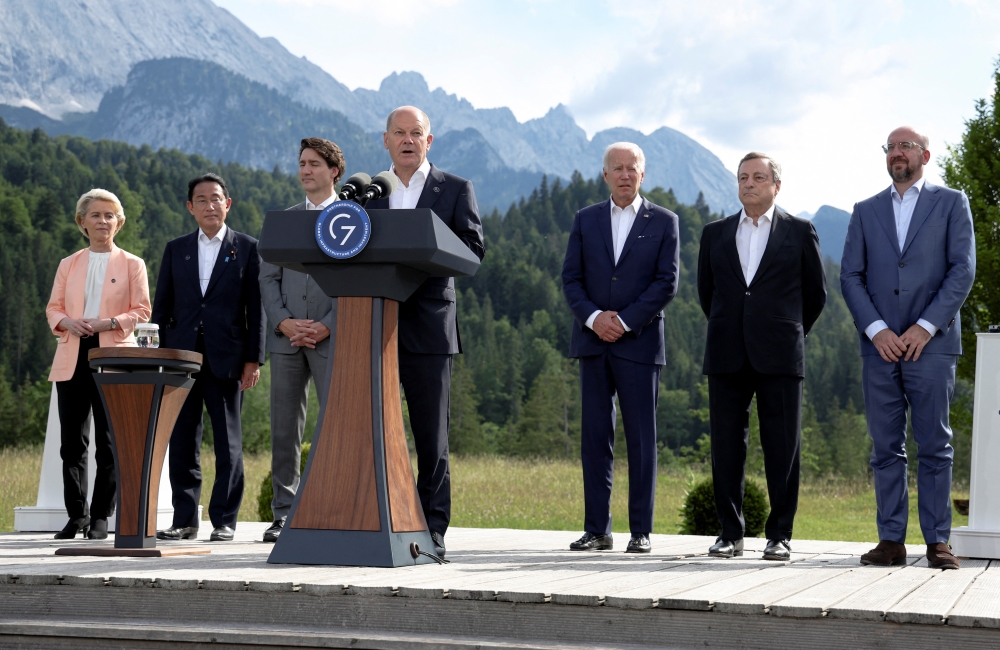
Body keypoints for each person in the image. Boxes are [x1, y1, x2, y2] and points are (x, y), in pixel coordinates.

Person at [841, 127, 975, 570]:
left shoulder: (952, 202)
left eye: (906, 146)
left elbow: (962, 270)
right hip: (879, 346)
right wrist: (877, 330)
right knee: (885, 447)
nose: (897, 153)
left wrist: (924, 327)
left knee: (935, 443)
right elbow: (850, 277)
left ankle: (938, 541)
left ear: (925, 155)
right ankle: (891, 540)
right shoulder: (865, 210)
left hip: (931, 346)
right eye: (891, 147)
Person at [366, 106, 485, 558]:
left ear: (429, 141)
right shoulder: (369, 191)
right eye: (400, 133)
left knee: (430, 436)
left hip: (430, 328)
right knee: (372, 429)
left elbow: (473, 251)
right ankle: (377, 516)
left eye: (417, 133)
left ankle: (432, 527)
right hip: (375, 323)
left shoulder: (454, 189)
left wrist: (423, 255)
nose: (408, 140)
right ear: (386, 140)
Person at [697, 152, 826, 561]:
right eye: (742, 177)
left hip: (781, 354)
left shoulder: (801, 231)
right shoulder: (714, 233)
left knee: (782, 445)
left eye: (757, 177)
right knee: (726, 446)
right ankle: (729, 533)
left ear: (776, 185)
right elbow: (707, 292)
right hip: (727, 351)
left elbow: (816, 294)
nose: (748, 183)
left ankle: (779, 535)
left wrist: (787, 330)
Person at [561, 142, 680, 554]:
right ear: (605, 174)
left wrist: (624, 321)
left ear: (643, 175)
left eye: (633, 168)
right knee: (595, 438)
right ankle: (597, 529)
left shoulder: (664, 221)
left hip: (639, 344)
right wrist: (595, 319)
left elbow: (667, 282)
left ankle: (641, 531)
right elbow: (571, 280)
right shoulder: (585, 219)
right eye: (618, 168)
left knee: (641, 440)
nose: (626, 174)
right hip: (593, 343)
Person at [152, 173, 265, 542]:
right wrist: (159, 355)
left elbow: (257, 309)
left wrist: (254, 360)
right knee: (182, 439)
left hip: (227, 358)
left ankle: (224, 520)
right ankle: (185, 519)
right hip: (181, 359)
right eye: (201, 199)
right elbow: (162, 306)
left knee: (228, 442)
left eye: (216, 198)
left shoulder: (247, 248)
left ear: (227, 204)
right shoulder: (176, 248)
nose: (209, 205)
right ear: (190, 207)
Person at [45, 188, 151, 540]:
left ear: (119, 223)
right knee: (72, 444)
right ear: (82, 222)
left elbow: (142, 310)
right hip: (73, 353)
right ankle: (77, 516)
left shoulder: (133, 264)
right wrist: (67, 322)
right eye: (96, 215)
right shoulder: (68, 264)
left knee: (110, 440)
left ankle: (102, 516)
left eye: (110, 215)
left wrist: (109, 323)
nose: (103, 221)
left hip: (114, 354)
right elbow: (53, 309)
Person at [258, 138, 343, 543]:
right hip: (287, 341)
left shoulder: (353, 218)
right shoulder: (284, 221)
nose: (306, 170)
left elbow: (358, 283)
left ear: (334, 171)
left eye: (314, 164)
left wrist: (329, 324)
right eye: (302, 163)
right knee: (284, 430)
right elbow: (267, 278)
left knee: (336, 427)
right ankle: (283, 514)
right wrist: (285, 323)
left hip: (331, 339)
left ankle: (331, 508)